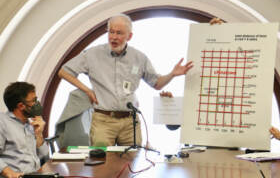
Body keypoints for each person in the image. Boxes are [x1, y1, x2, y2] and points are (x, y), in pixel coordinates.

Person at [58, 14, 193, 147]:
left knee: (133, 162)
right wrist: (87, 90)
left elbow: (157, 83)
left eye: (119, 33)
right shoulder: (92, 54)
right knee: (102, 163)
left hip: (130, 122)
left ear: (129, 36)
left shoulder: (139, 58)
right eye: (111, 32)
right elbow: (64, 72)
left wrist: (172, 74)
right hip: (103, 121)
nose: (114, 37)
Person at [0, 82, 48, 178]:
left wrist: (39, 133)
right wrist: (11, 174)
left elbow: (45, 156)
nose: (37, 104)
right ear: (21, 106)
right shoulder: (2, 122)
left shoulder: (29, 124)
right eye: (34, 101)